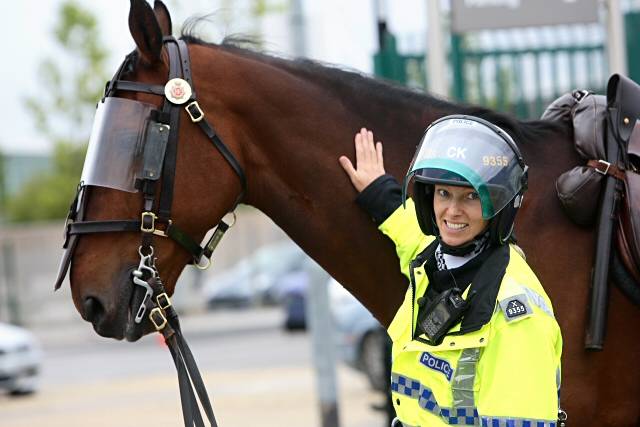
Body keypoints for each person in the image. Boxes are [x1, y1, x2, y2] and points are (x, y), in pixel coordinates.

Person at [338, 115, 563, 427]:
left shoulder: (516, 314)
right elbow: (409, 232)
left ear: (496, 204)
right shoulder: (433, 261)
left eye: (470, 196)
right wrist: (378, 189)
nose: (452, 211)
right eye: (444, 193)